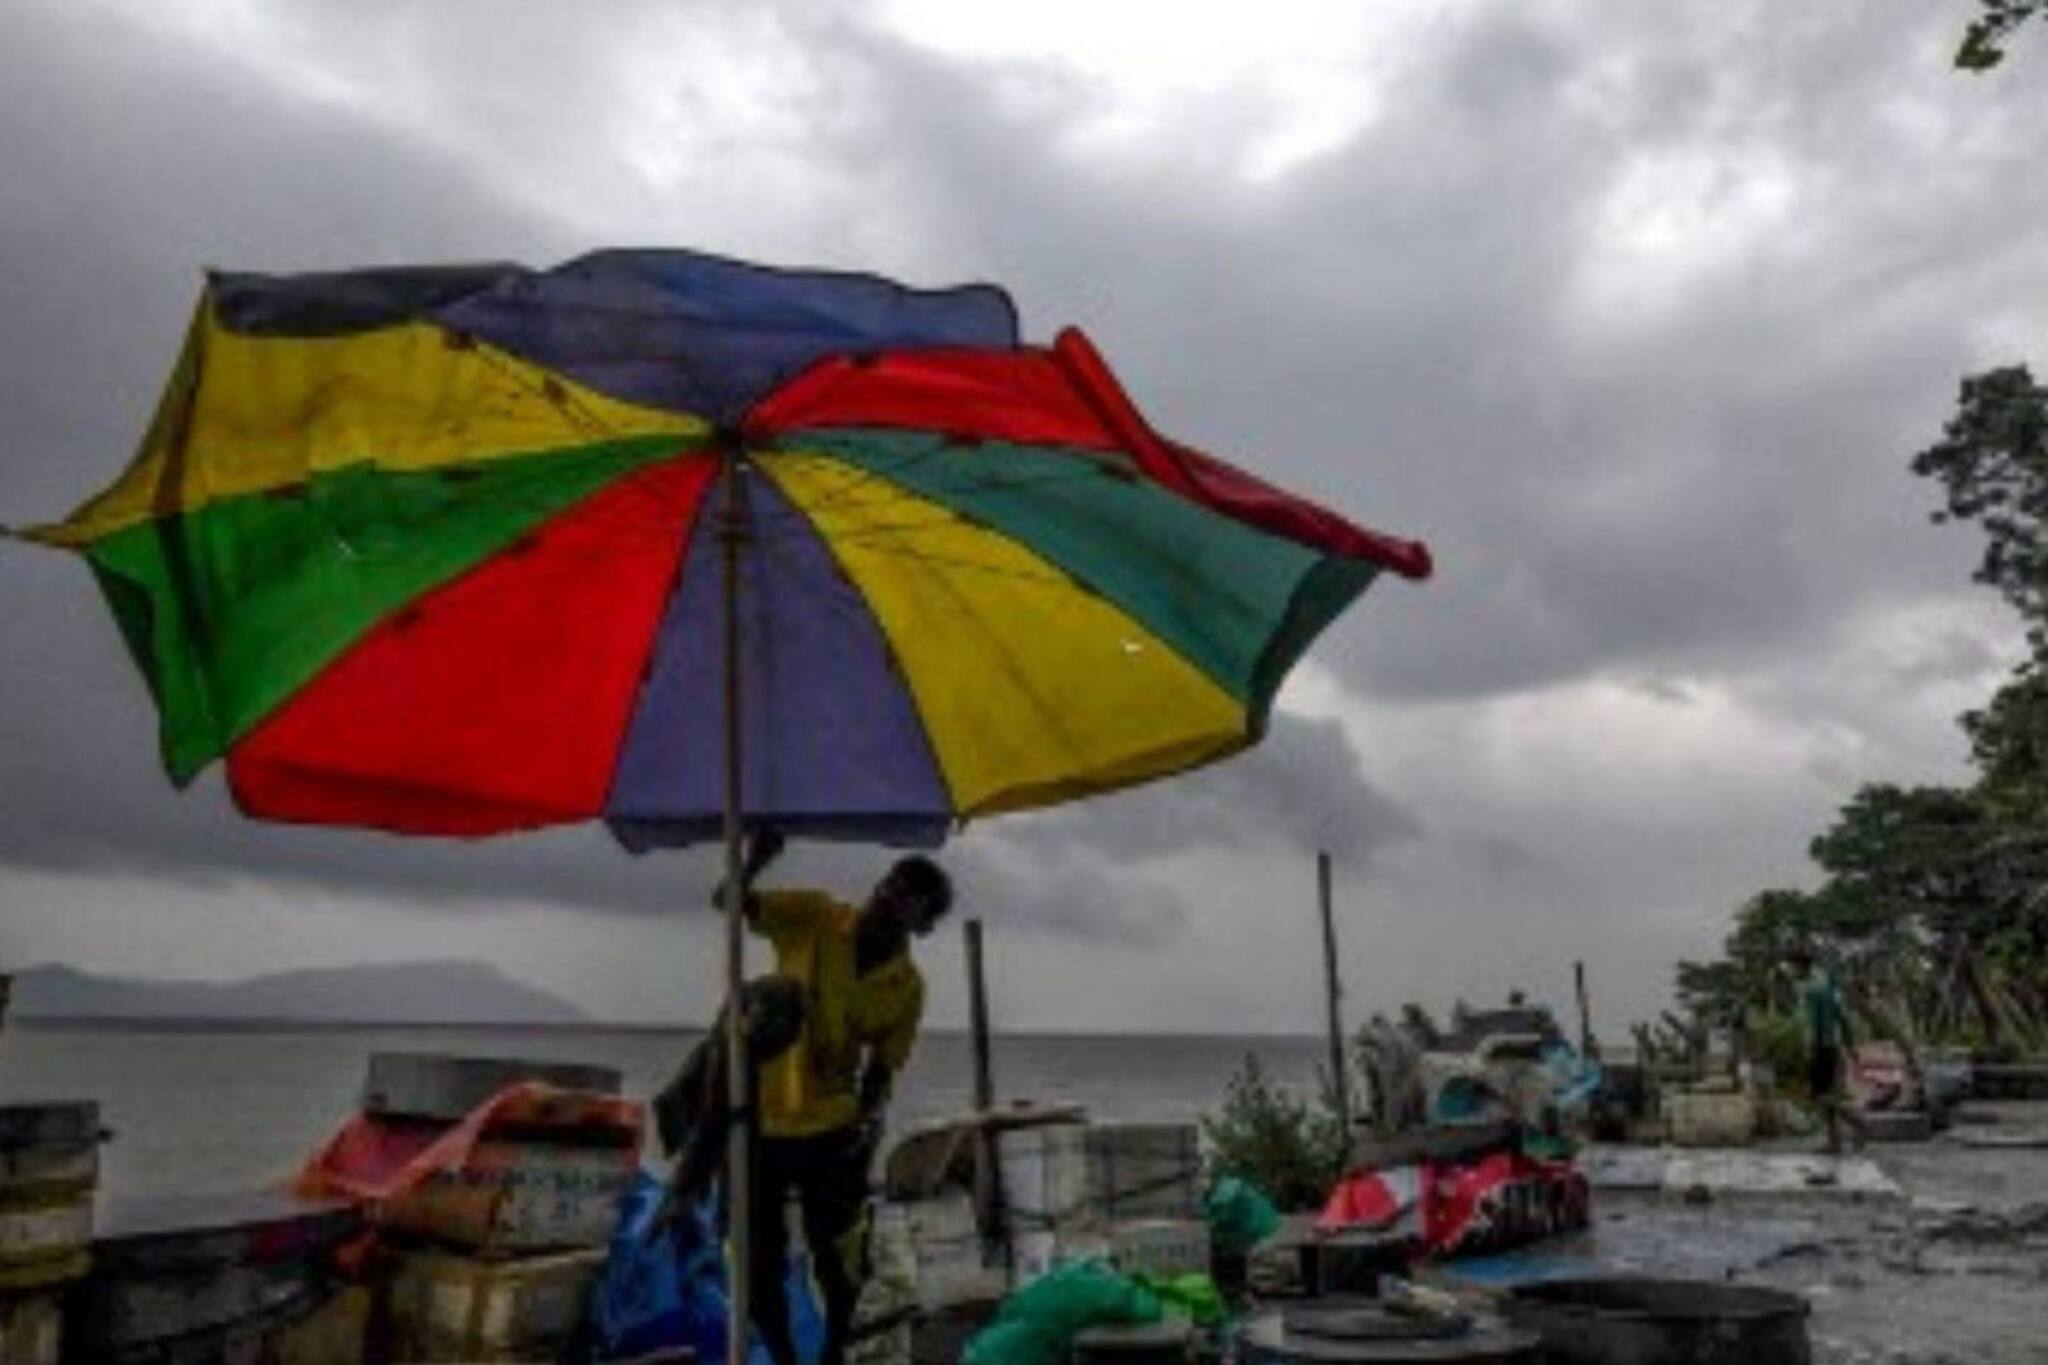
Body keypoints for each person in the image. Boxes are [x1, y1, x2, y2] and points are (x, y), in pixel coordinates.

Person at [725, 828, 952, 1365]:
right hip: (761, 1115)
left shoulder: (908, 987)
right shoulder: (816, 916)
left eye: (906, 898)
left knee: (842, 1260)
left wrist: (870, 1125)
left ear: (922, 923)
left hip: (833, 1129)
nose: (887, 898)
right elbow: (727, 901)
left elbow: (881, 1070)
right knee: (757, 1259)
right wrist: (753, 860)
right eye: (889, 885)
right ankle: (781, 1355)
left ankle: (832, 1354)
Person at [1791, 946, 1867, 1155]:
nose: (1791, 972)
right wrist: (1850, 1046)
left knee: (1821, 1097)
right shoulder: (1827, 983)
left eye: (1792, 967)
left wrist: (1808, 1052)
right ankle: (1834, 1143)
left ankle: (1857, 1122)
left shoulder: (1810, 990)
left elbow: (1810, 1025)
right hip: (1834, 1043)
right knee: (1827, 1095)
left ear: (1799, 966)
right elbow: (1843, 1017)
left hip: (1822, 1046)